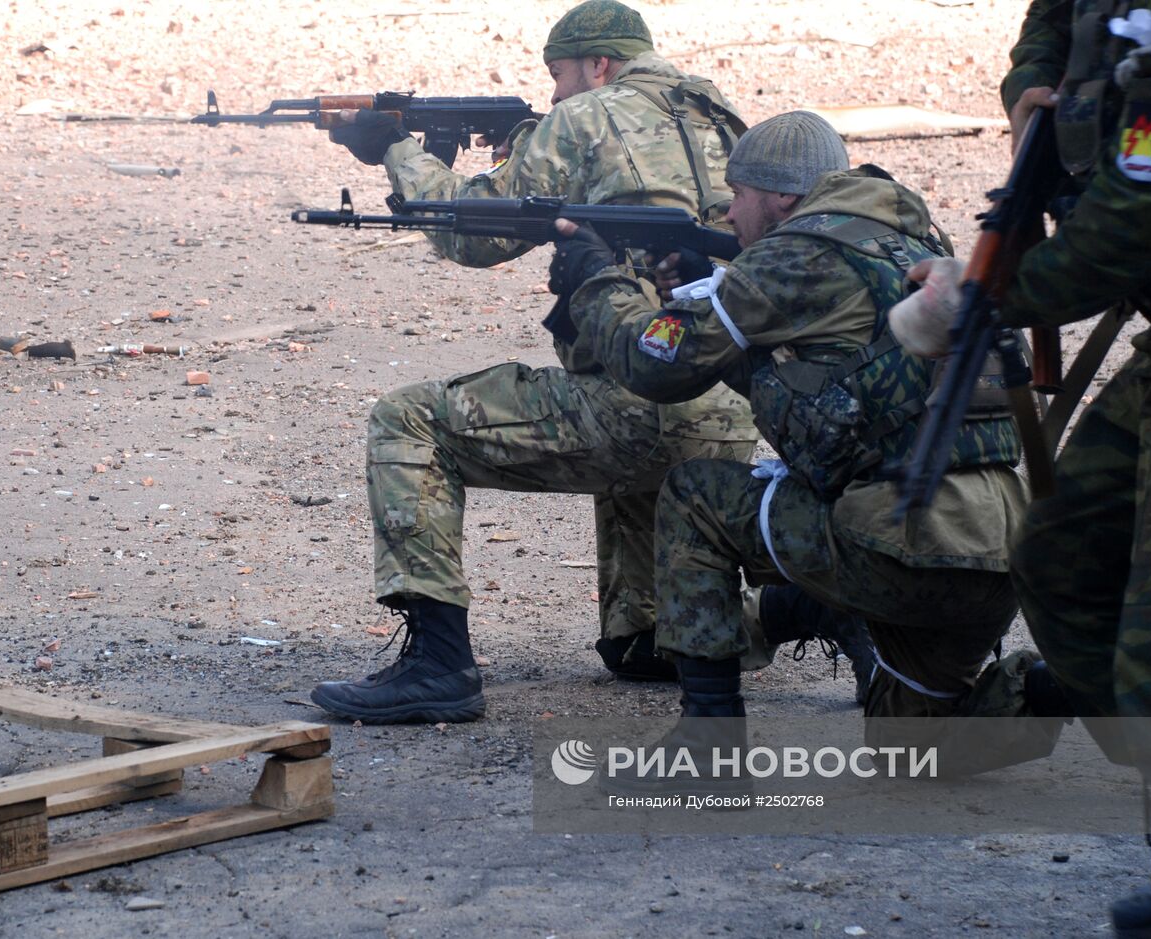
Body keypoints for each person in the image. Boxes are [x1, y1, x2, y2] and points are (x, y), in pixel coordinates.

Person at [309, 1, 875, 724]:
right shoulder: (722, 116)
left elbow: (469, 235)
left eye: (558, 75)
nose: (554, 94)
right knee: (643, 640)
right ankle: (799, 612)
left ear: (598, 65)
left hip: (635, 403)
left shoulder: (583, 118)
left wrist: (395, 146)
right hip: (727, 409)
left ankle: (436, 663)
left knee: (407, 421)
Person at [551, 110, 1064, 780]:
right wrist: (719, 296)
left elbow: (655, 366)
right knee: (908, 749)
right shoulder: (912, 242)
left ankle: (708, 745)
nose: (730, 212)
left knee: (696, 495)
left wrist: (598, 279)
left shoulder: (793, 255)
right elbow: (829, 389)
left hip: (902, 539)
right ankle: (1059, 686)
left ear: (784, 198)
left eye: (739, 195)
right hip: (997, 554)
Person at [890, 1, 1151, 934]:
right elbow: (1050, 25)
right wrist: (1028, 96)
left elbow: (1146, 222)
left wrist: (990, 298)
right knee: (1066, 558)